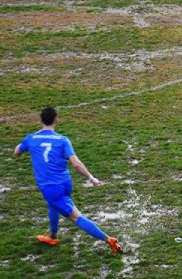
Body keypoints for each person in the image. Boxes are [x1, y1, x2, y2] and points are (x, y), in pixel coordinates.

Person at [12, 107, 122, 253]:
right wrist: (91, 178)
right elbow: (76, 164)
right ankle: (52, 235)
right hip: (65, 183)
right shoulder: (63, 140)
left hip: (50, 187)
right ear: (56, 120)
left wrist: (23, 150)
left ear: (40, 121)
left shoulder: (31, 139)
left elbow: (17, 152)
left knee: (76, 216)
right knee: (53, 205)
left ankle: (108, 239)